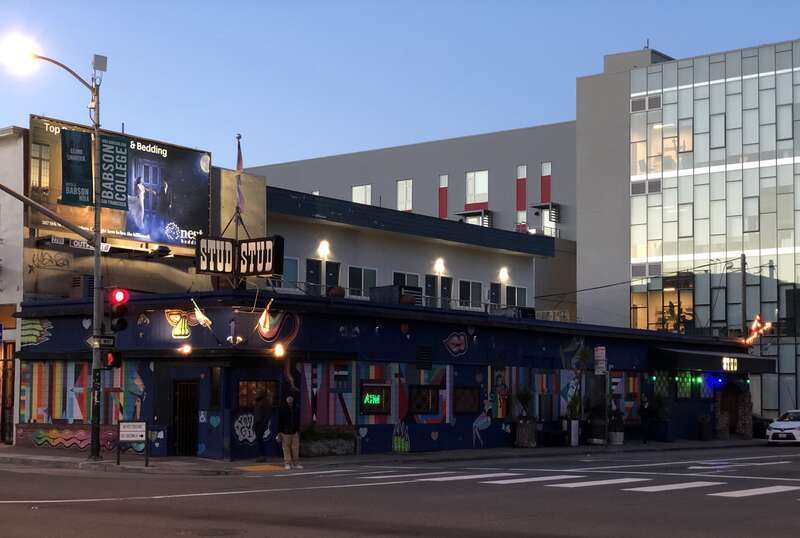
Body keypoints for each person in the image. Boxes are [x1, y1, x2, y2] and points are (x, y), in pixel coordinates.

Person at [277, 392, 302, 470]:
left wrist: (298, 429)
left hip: (294, 431)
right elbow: (279, 421)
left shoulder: (296, 407)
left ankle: (296, 463)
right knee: (286, 448)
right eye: (288, 398)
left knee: (295, 448)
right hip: (285, 431)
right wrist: (279, 432)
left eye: (291, 398)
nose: (290, 399)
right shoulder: (282, 408)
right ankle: (287, 463)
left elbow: (297, 419)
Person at [253, 391, 272, 463]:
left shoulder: (260, 404)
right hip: (262, 425)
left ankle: (260, 456)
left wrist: (256, 425)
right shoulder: (265, 403)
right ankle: (262, 456)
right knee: (260, 440)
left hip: (259, 425)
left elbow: (258, 416)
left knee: (259, 441)